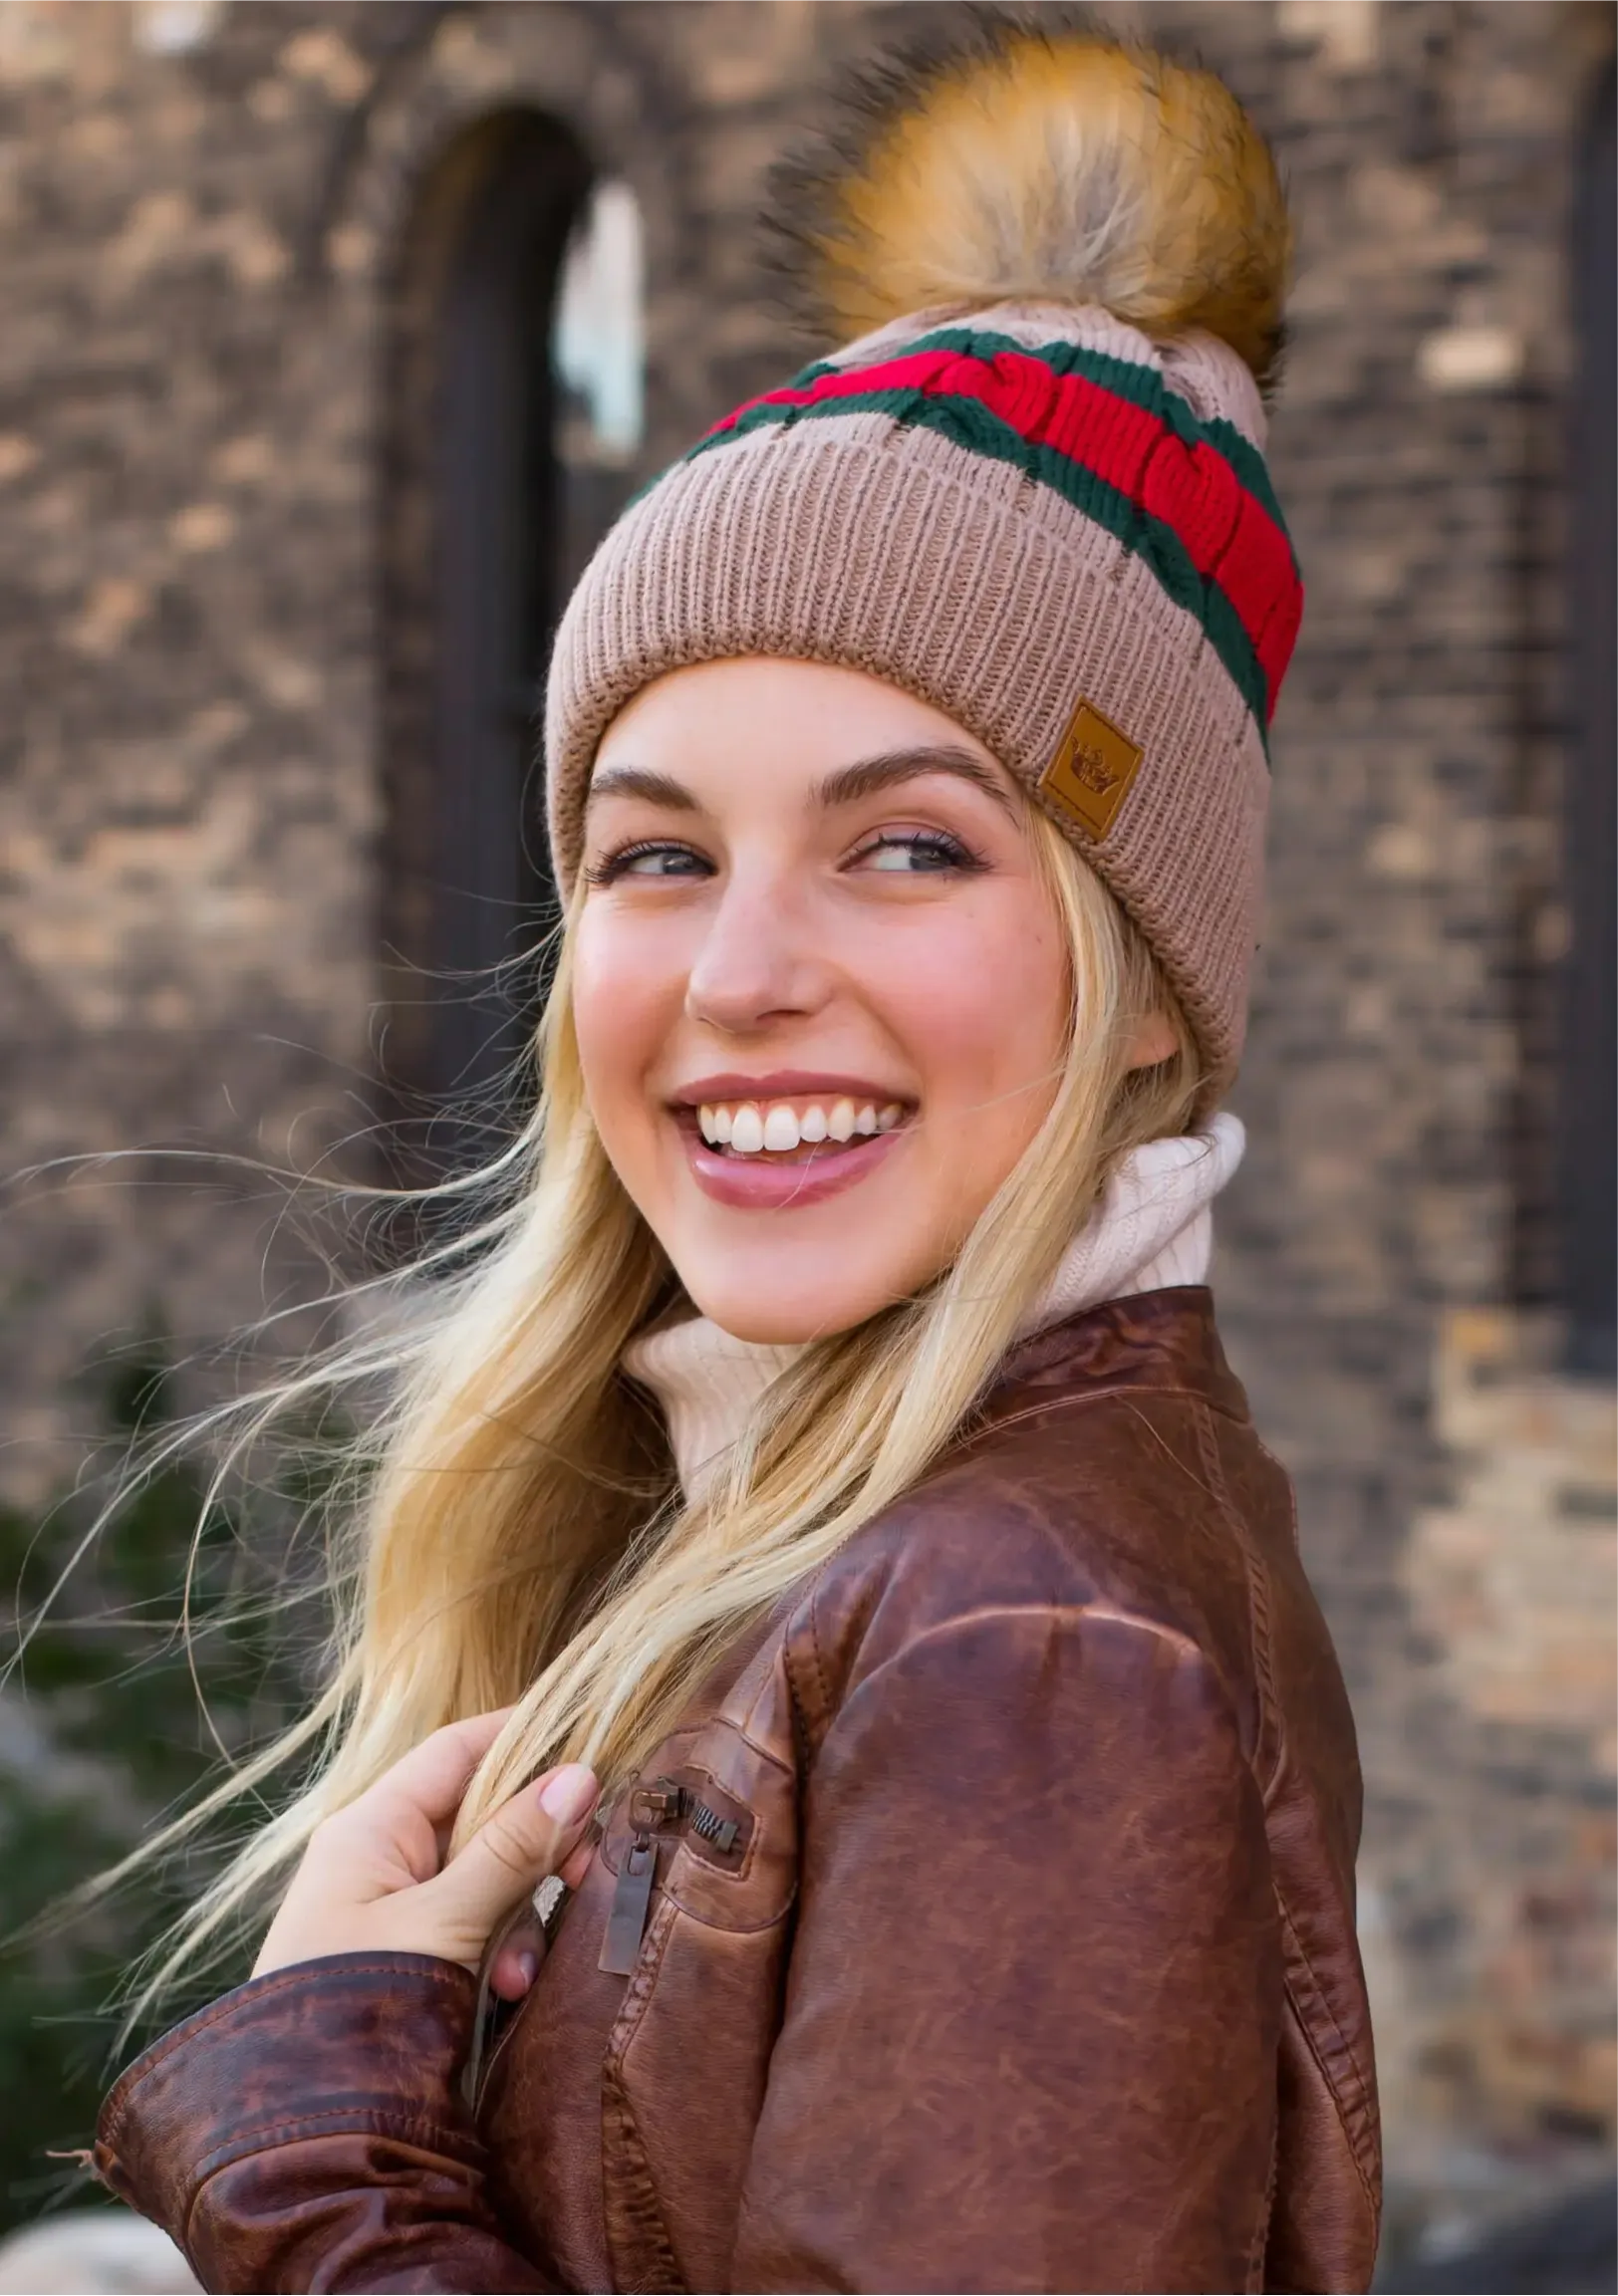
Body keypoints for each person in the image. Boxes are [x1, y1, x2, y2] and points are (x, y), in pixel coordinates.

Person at [90, 16, 1380, 2292]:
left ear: (1152, 977)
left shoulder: (1023, 1644)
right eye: (653, 857)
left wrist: (310, 2139)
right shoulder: (845, 1533)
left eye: (904, 847)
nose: (739, 975)